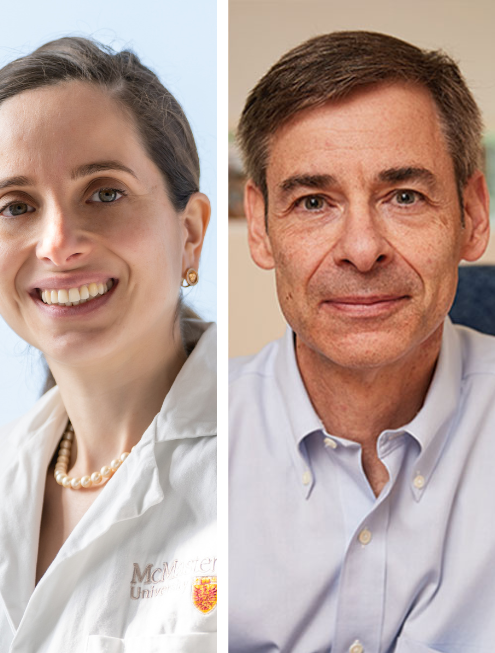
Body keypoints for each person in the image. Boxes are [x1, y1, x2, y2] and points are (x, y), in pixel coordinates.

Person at [230, 31, 495, 652]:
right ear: (263, 230)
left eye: (404, 196)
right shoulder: (180, 452)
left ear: (472, 215)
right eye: (314, 201)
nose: (361, 248)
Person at [0, 37, 217, 652]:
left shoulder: (257, 457)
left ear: (191, 232)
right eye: (17, 206)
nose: (58, 243)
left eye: (104, 192)